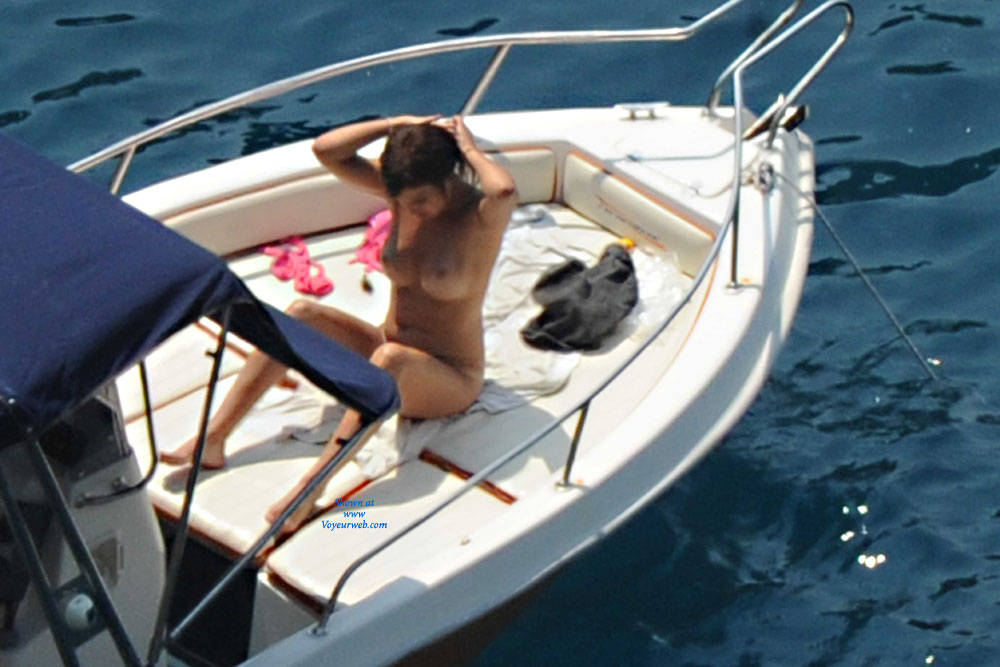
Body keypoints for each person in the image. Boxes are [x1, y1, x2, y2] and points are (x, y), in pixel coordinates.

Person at [161, 114, 517, 533]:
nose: (411, 209)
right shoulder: (402, 197)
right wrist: (397, 125)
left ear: (449, 178)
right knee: (302, 314)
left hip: (449, 378)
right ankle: (214, 439)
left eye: (421, 200)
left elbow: (503, 188)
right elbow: (327, 151)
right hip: (384, 348)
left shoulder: (480, 216)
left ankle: (310, 489)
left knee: (392, 358)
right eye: (404, 201)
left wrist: (467, 147)